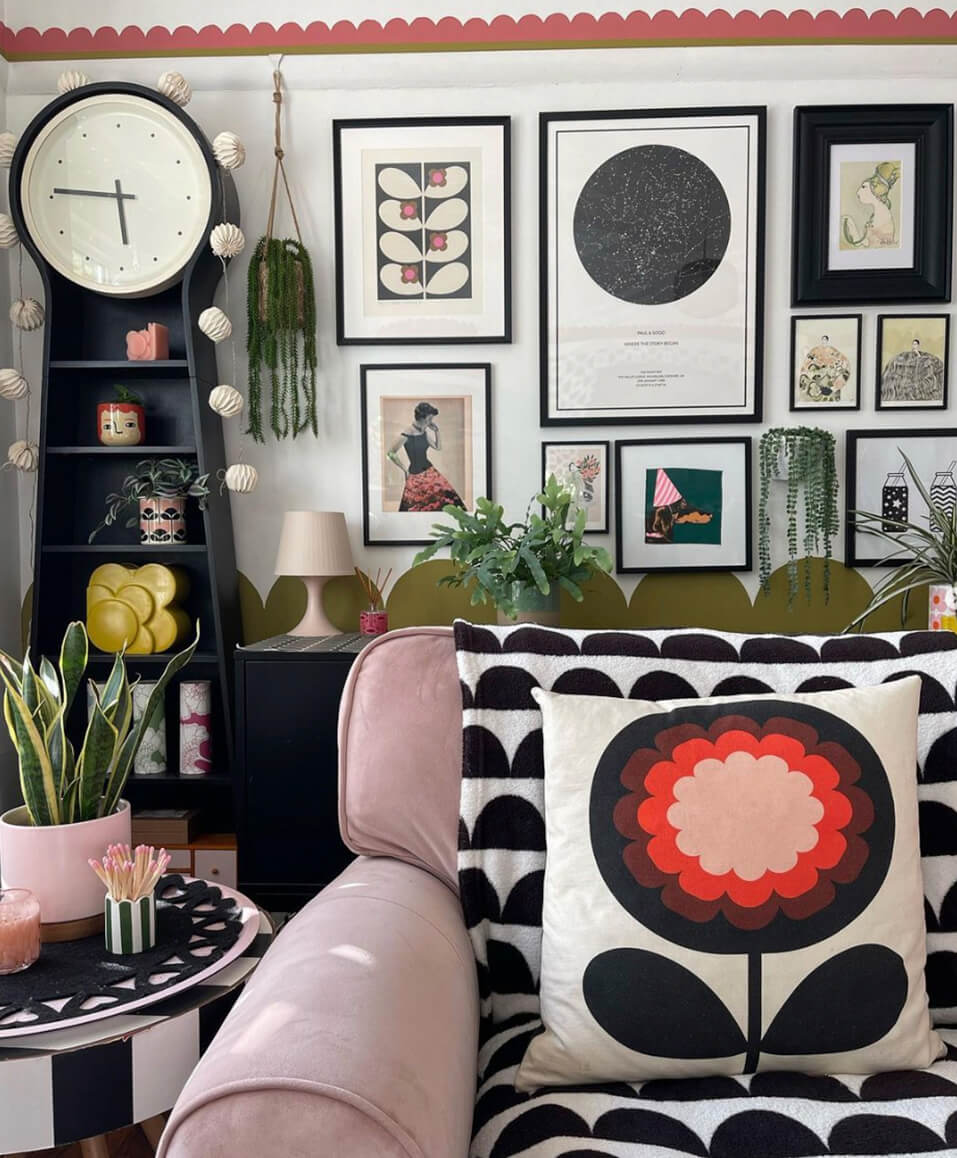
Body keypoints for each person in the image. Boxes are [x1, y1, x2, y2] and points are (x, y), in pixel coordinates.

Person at [387, 401, 465, 512]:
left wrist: (436, 431)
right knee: (417, 506)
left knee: (448, 501)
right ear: (422, 418)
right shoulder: (406, 434)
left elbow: (438, 447)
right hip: (415, 475)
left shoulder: (424, 432)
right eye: (430, 419)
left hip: (430, 471)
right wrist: (404, 470)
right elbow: (390, 453)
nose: (431, 422)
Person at [842, 161, 900, 249]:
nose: (858, 192)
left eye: (864, 187)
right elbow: (866, 243)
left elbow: (870, 246)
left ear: (875, 189)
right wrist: (850, 224)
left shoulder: (883, 218)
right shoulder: (878, 214)